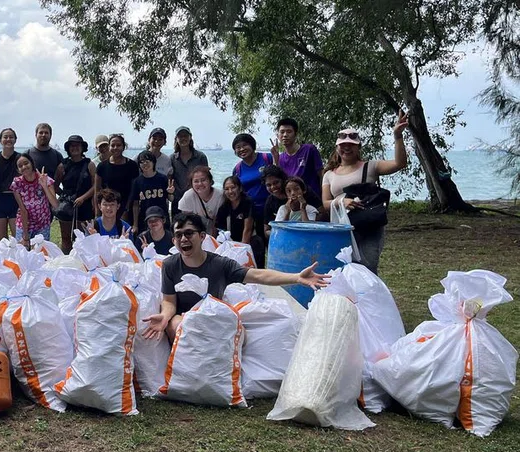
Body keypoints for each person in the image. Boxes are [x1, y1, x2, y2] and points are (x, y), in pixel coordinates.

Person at [142, 212, 329, 342]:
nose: (183, 239)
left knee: (242, 335)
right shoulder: (170, 265)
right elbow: (169, 301)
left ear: (202, 236)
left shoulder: (220, 264)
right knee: (176, 324)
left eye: (189, 233)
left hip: (214, 316)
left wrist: (296, 277)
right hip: (183, 318)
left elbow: (258, 275)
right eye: (178, 235)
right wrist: (165, 317)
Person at [322, 112, 409, 274]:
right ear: (337, 147)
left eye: (351, 144)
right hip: (342, 226)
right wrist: (342, 202)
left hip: (368, 225)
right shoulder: (329, 174)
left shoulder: (371, 166)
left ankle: (368, 298)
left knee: (367, 268)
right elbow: (325, 203)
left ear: (358, 147)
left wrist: (398, 137)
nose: (346, 148)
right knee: (343, 268)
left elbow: (400, 163)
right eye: (343, 145)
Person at [54, 135, 97, 253]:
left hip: (85, 205)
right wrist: (64, 196)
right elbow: (55, 185)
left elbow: (95, 186)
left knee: (84, 238)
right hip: (67, 206)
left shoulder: (90, 164)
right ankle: (66, 261)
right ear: (68, 148)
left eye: (78, 145)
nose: (75, 148)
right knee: (66, 238)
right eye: (72, 146)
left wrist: (83, 198)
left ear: (83, 147)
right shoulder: (62, 165)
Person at [10, 153, 58, 246]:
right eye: (20, 166)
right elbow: (23, 210)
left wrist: (44, 186)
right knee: (22, 254)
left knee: (41, 255)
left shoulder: (45, 178)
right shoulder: (17, 183)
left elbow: (55, 204)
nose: (24, 167)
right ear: (18, 170)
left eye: (26, 163)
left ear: (32, 163)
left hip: (43, 224)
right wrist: (25, 235)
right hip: (24, 224)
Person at [232, 133, 273, 239]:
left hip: (271, 209)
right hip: (251, 213)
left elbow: (280, 176)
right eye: (238, 147)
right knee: (257, 244)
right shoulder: (237, 169)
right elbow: (236, 192)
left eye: (244, 145)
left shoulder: (267, 158)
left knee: (274, 241)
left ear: (252, 145)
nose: (241, 149)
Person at [271, 117, 324, 197]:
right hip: (293, 203)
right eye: (282, 132)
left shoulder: (309, 149)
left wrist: (324, 197)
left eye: (289, 131)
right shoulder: (280, 158)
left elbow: (321, 174)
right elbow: (277, 182)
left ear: (295, 134)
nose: (285, 135)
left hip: (314, 200)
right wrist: (275, 160)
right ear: (278, 135)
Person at [94, 134, 140, 221]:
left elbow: (134, 190)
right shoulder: (101, 166)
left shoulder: (132, 165)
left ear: (123, 147)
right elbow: (97, 191)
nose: (115, 148)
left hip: (126, 208)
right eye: (112, 145)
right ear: (109, 147)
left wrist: (126, 210)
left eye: (118, 145)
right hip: (107, 208)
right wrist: (97, 212)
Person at [129, 151, 171, 234]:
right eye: (142, 162)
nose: (145, 164)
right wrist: (135, 224)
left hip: (162, 217)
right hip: (145, 219)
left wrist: (171, 192)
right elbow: (135, 204)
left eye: (148, 161)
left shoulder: (163, 179)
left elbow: (170, 199)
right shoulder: (137, 181)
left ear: (153, 162)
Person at [170, 126, 209, 215]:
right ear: (176, 139)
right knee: (178, 227)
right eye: (180, 136)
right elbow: (170, 179)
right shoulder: (172, 158)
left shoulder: (200, 157)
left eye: (185, 136)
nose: (183, 138)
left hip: (197, 199)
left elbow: (207, 179)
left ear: (190, 137)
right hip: (178, 201)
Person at [177, 166, 224, 235]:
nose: (200, 184)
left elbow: (219, 221)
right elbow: (186, 220)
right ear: (192, 184)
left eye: (203, 180)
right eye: (196, 181)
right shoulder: (188, 196)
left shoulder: (220, 196)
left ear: (210, 181)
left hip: (218, 231)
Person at [216, 176, 254, 245]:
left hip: (249, 241)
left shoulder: (247, 202)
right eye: (227, 189)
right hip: (231, 242)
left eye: (233, 188)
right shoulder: (224, 207)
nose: (230, 191)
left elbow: (248, 229)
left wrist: (242, 248)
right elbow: (220, 229)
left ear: (240, 188)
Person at [27, 122, 64, 187]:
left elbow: (62, 176)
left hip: (50, 193)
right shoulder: (27, 154)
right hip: (31, 194)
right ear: (36, 135)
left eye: (46, 133)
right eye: (41, 132)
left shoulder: (57, 155)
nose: (43, 135)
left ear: (50, 135)